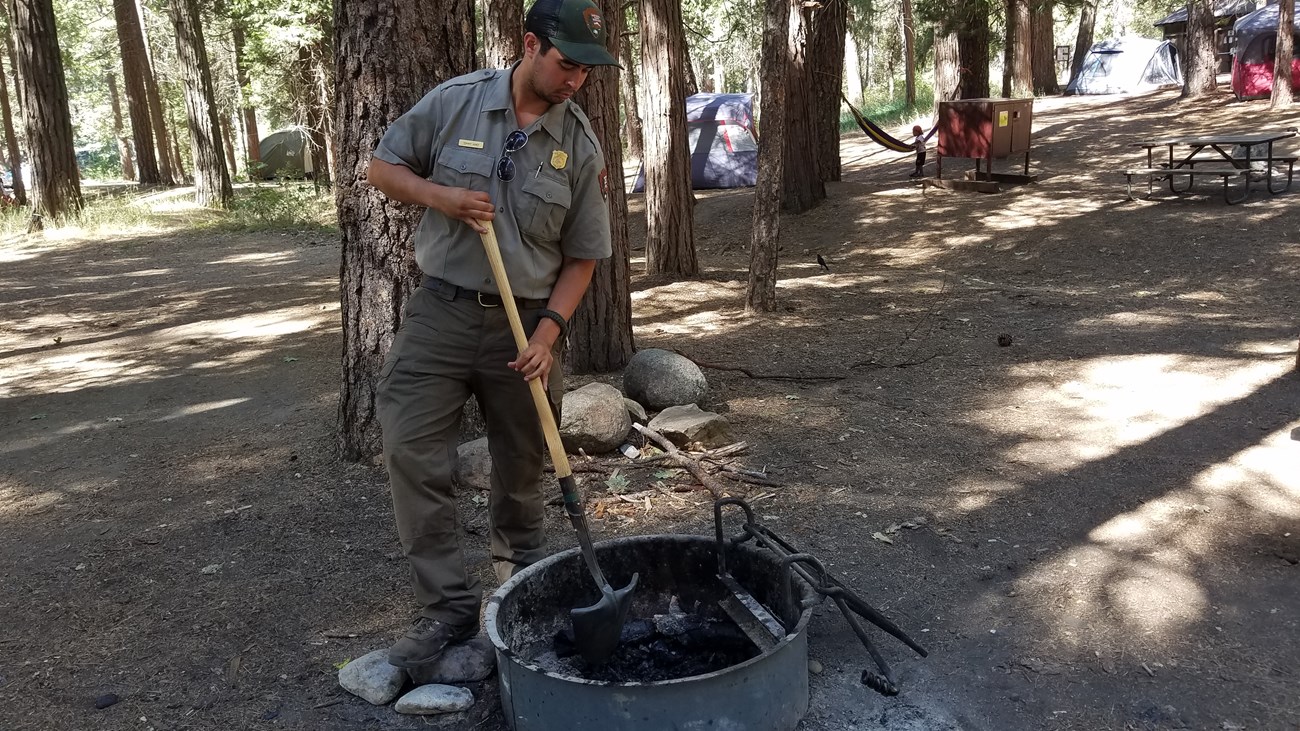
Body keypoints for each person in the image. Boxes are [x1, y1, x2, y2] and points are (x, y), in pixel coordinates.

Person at [365, 0, 618, 669]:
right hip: (442, 312)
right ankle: (447, 607)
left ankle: (521, 584)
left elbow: (584, 256)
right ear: (530, 45)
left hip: (527, 321)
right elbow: (381, 169)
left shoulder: (579, 143)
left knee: (523, 463)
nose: (574, 82)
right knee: (411, 448)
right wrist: (440, 197)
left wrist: (551, 332)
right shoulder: (456, 103)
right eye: (566, 65)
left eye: (586, 73)